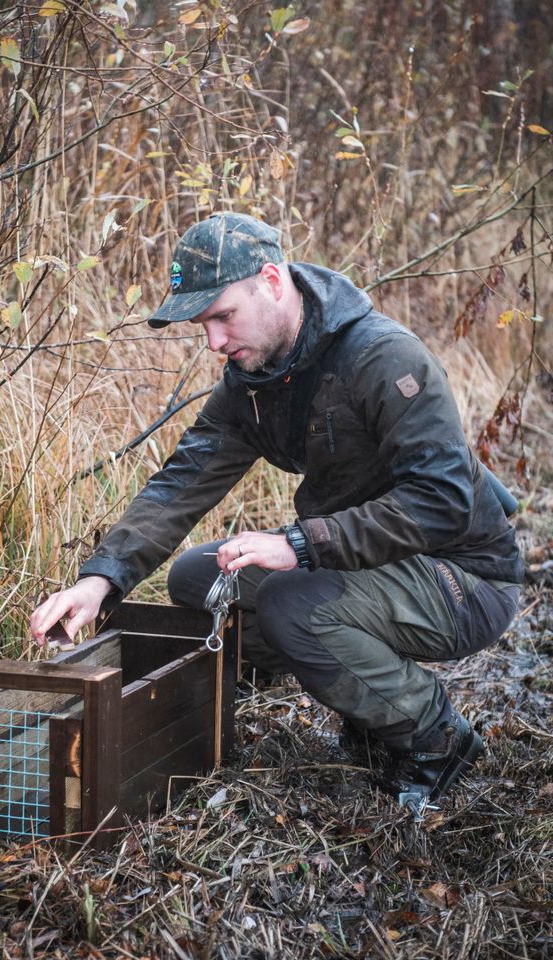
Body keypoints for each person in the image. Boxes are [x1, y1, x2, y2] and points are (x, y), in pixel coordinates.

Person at [30, 212, 522, 808]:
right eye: (202, 324)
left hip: (462, 577)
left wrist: (299, 544)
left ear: (270, 280)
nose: (213, 341)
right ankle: (354, 690)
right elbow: (182, 482)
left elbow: (441, 502)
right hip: (368, 564)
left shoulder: (385, 359)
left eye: (222, 316)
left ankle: (435, 737)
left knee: (292, 604)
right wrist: (100, 579)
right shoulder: (254, 377)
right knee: (198, 576)